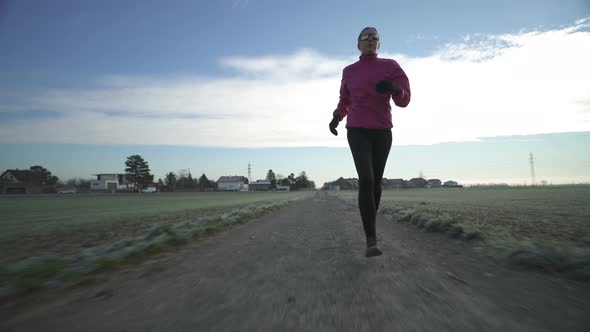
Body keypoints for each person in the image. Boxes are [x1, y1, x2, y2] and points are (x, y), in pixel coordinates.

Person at [329, 27, 411, 257]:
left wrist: (394, 89)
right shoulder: (349, 71)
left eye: (374, 38)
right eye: (365, 38)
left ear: (379, 44)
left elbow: (404, 99)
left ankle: (369, 222)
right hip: (357, 130)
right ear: (358, 45)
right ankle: (371, 240)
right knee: (366, 178)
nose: (370, 40)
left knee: (375, 183)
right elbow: (345, 99)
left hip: (382, 131)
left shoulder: (391, 66)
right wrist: (337, 116)